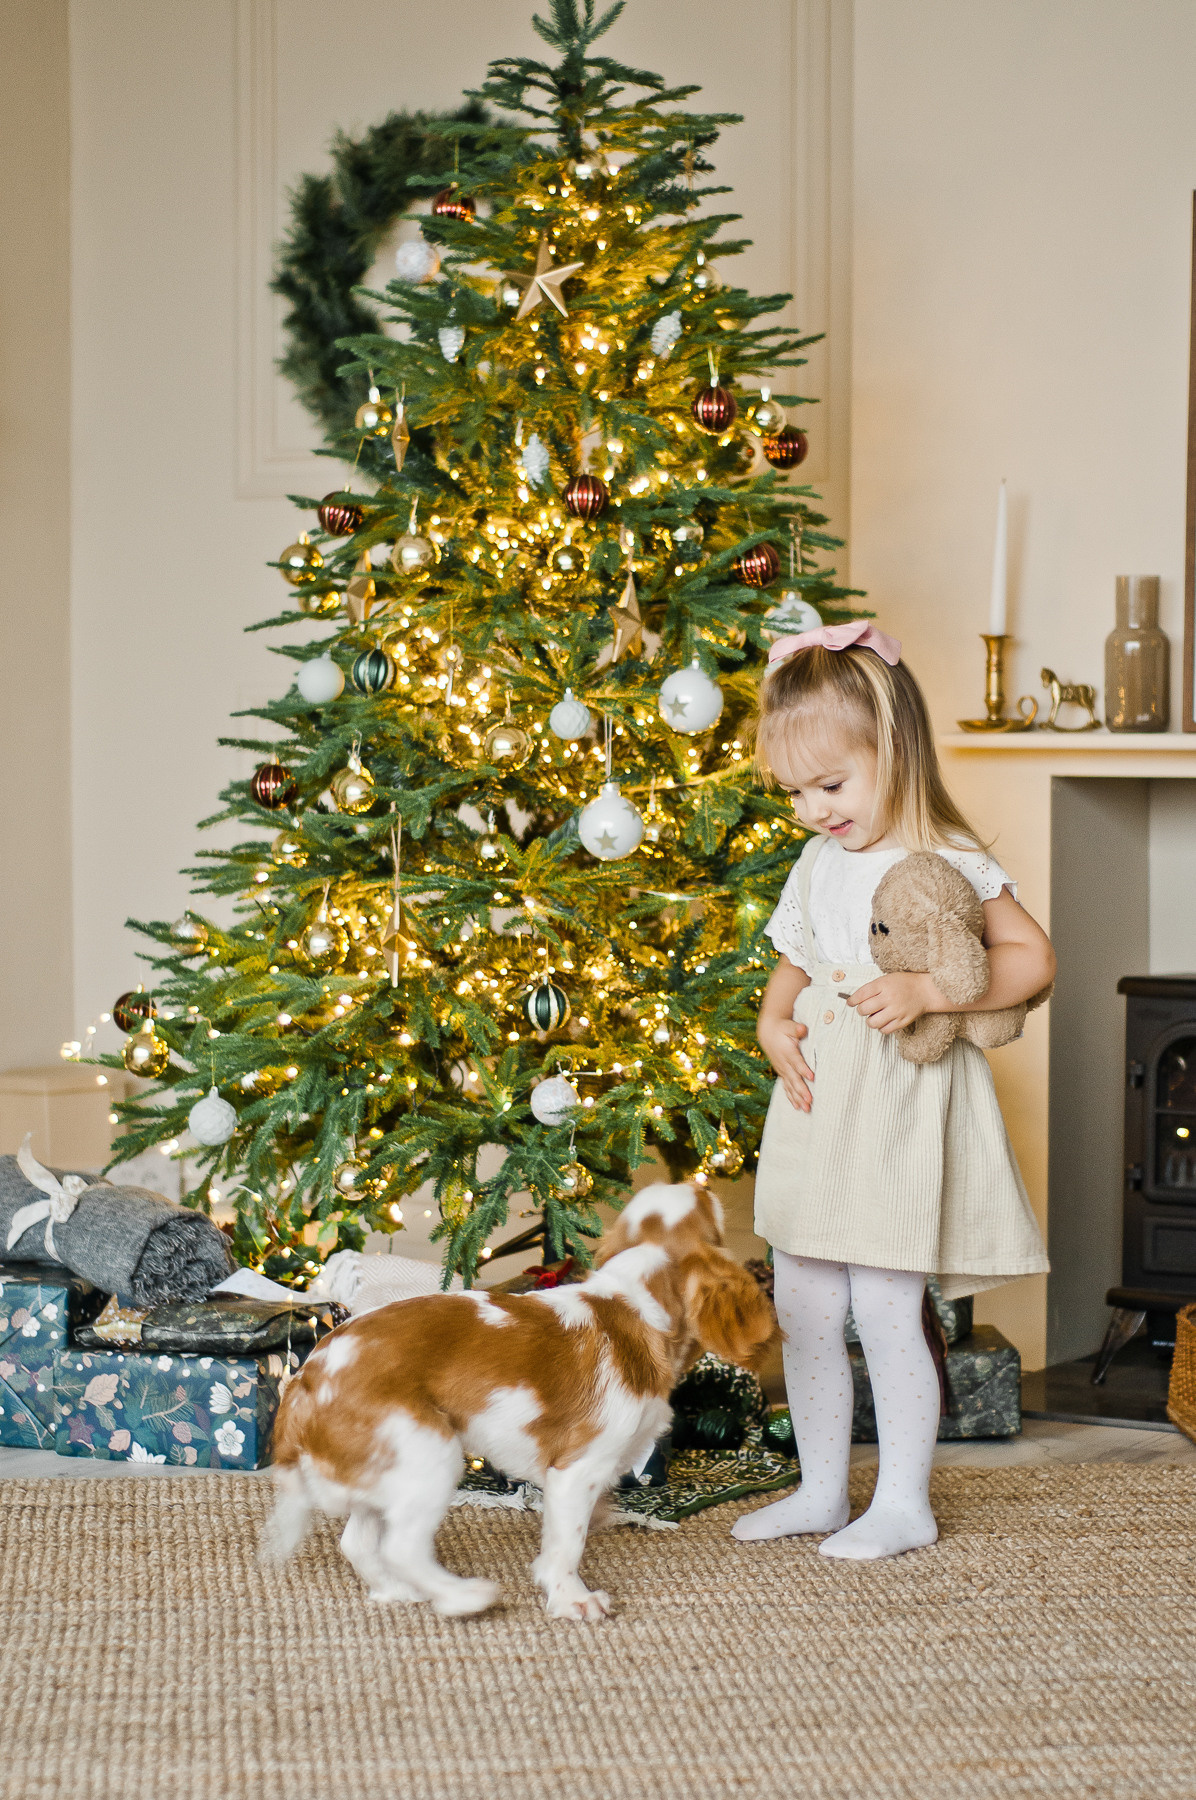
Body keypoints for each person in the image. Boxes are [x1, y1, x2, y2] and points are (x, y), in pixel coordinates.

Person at [732, 621, 1053, 1561]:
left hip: (898, 1105)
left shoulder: (946, 855)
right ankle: (822, 1490)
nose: (812, 810)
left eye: (830, 786)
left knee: (883, 1306)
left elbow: (1031, 958)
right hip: (818, 1105)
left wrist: (928, 990)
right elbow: (797, 958)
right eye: (795, 793)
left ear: (894, 748)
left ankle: (905, 1500)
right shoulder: (817, 862)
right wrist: (772, 1022)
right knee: (803, 1306)